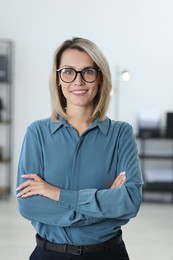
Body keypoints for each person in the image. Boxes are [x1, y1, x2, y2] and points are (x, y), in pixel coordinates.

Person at [16, 37, 143, 260]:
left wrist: (56, 194)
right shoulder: (37, 133)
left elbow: (129, 202)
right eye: (68, 71)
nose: (78, 81)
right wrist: (103, 205)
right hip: (49, 254)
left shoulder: (121, 134)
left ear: (100, 78)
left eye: (88, 72)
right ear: (58, 79)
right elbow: (30, 205)